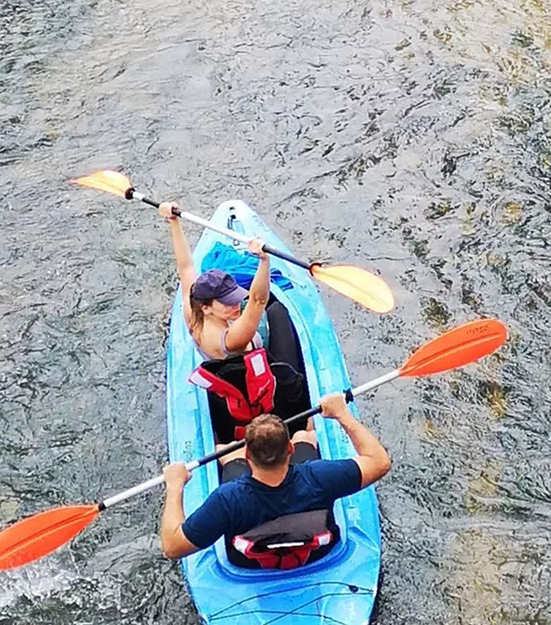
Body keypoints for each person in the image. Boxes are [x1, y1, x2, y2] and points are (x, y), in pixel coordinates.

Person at [158, 393, 390, 561]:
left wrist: (175, 485)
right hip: (318, 555)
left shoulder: (226, 500)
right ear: (289, 449)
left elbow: (172, 547)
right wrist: (342, 415)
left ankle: (229, 451)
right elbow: (379, 462)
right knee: (305, 436)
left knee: (227, 453)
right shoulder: (321, 476)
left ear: (249, 454)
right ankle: (302, 436)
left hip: (251, 566)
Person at [160, 202, 309, 449]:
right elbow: (259, 299)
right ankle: (308, 425)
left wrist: (174, 223)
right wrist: (263, 261)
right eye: (227, 302)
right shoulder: (234, 339)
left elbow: (185, 268)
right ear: (207, 306)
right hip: (264, 397)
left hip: (232, 397)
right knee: (278, 311)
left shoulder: (192, 317)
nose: (236, 305)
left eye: (234, 297)